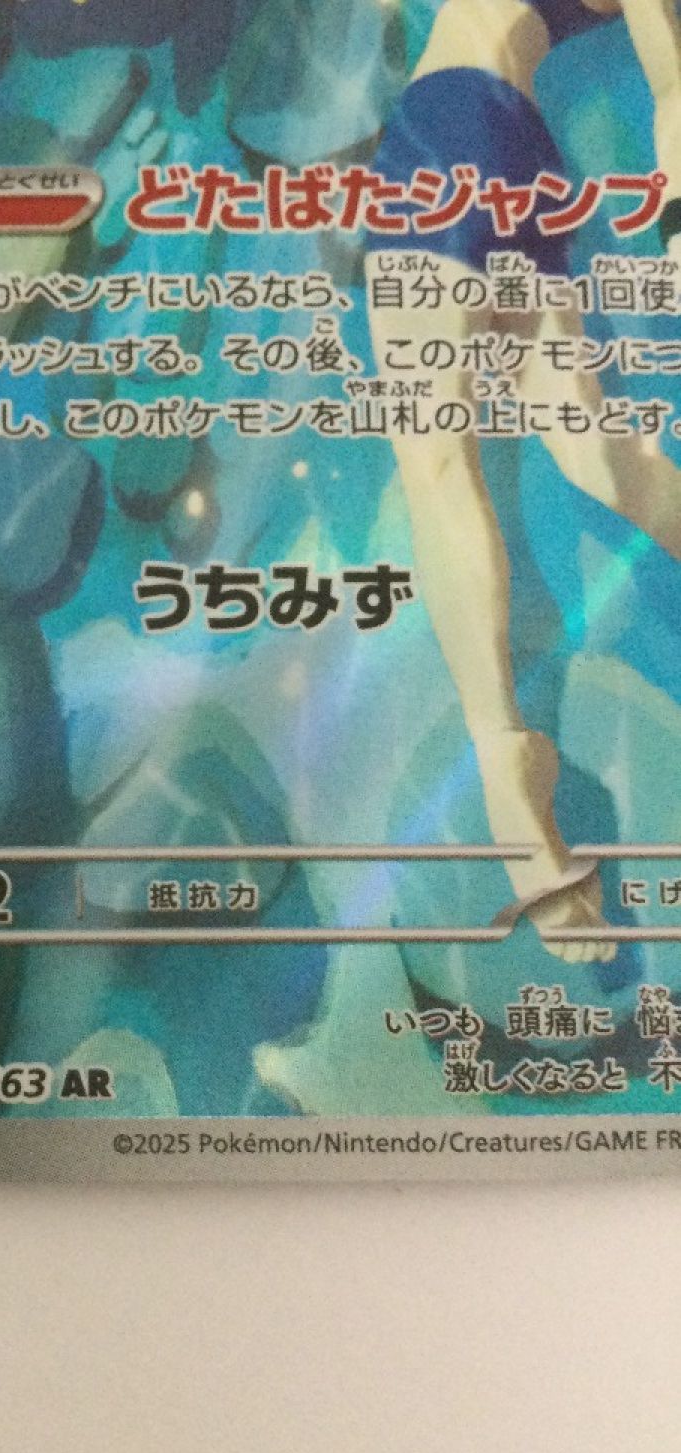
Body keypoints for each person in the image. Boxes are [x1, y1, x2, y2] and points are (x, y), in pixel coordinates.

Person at [365, 0, 681, 963]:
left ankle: (504, 759)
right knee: (597, 455)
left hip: (449, 122)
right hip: (518, 148)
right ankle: (509, 764)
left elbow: (672, 80)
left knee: (435, 452)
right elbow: (670, 76)